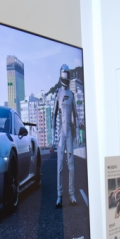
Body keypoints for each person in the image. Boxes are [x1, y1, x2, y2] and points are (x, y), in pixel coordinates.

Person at [53, 64, 79, 207]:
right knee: (59, 167)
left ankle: (72, 194)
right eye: (65, 75)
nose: (67, 78)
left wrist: (78, 132)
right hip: (61, 135)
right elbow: (54, 115)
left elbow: (76, 115)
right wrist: (54, 134)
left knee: (71, 166)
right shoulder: (58, 94)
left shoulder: (72, 95)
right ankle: (59, 195)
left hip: (69, 133)